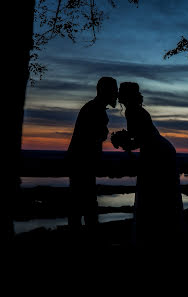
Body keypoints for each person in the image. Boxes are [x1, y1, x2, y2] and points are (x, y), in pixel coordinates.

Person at [111, 82, 185, 249]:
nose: (117, 95)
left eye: (120, 92)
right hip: (158, 152)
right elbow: (141, 138)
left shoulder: (132, 111)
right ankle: (160, 235)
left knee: (153, 191)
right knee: (157, 193)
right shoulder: (135, 110)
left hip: (158, 154)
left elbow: (141, 139)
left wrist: (125, 143)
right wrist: (127, 142)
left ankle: (154, 238)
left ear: (126, 95)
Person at [66, 77, 118, 234]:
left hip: (82, 161)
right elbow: (93, 137)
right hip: (82, 162)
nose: (116, 94)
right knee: (85, 202)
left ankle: (85, 234)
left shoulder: (94, 107)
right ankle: (89, 237)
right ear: (105, 91)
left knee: (82, 201)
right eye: (114, 90)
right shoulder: (94, 109)